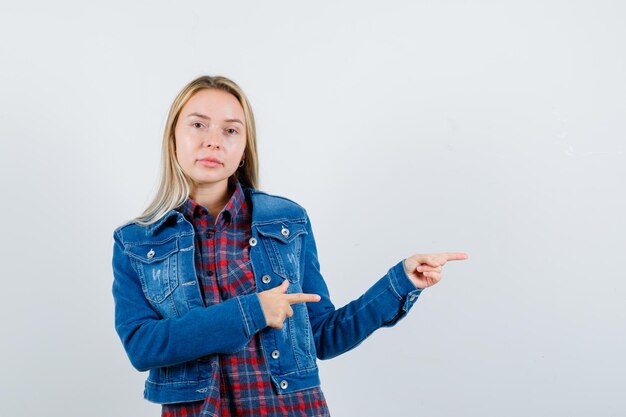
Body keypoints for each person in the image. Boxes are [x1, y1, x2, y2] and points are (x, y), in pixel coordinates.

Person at [111, 75, 468, 417]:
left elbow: (322, 336)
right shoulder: (136, 241)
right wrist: (253, 312)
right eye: (198, 125)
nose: (213, 141)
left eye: (231, 130)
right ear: (173, 138)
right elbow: (142, 346)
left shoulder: (288, 221)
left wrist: (399, 282)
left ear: (244, 149)